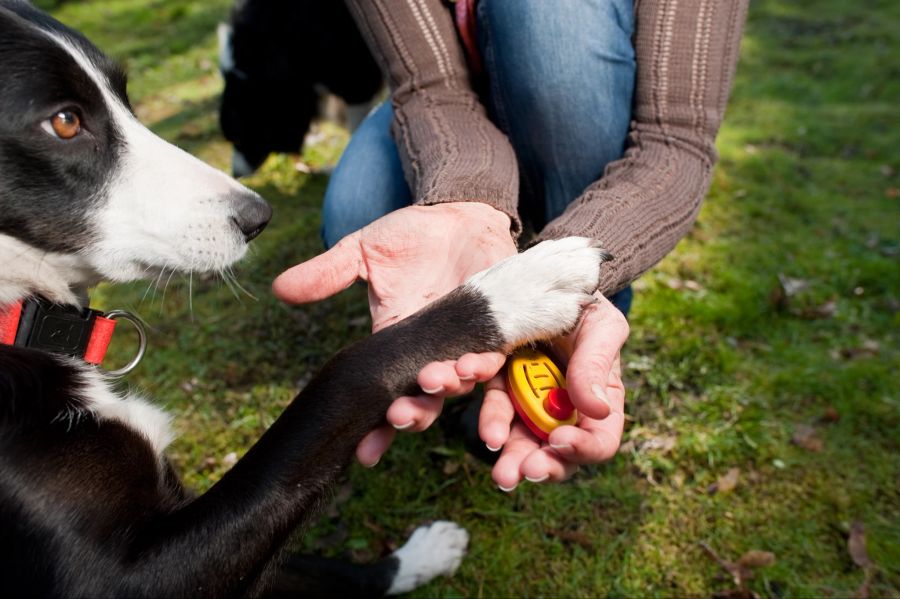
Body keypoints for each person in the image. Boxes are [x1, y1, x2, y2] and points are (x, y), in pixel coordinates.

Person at [273, 0, 749, 492]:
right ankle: (503, 287)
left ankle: (587, 315)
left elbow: (674, 140)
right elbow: (431, 89)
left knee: (543, 14)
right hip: (457, 104)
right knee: (359, 209)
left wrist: (565, 270)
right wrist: (467, 202)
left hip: (585, 92)